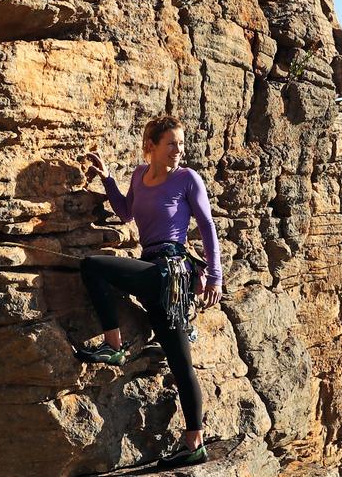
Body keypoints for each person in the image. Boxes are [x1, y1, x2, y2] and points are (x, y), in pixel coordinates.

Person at [78, 115, 223, 469]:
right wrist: (108, 179)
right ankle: (194, 443)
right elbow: (127, 213)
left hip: (170, 272)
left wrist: (215, 275)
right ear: (152, 146)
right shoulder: (140, 178)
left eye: (182, 144)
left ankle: (114, 347)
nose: (179, 150)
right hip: (154, 274)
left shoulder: (187, 179)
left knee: (92, 266)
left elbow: (206, 226)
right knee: (180, 360)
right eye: (172, 143)